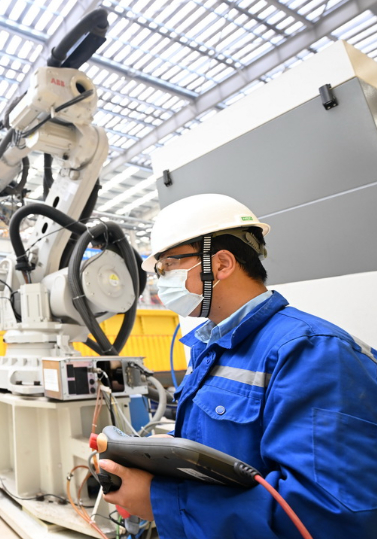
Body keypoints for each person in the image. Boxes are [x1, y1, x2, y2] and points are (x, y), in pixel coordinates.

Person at [99, 193, 377, 538]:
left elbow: (327, 514)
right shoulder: (211, 347)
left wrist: (162, 502)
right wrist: (154, 457)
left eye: (169, 264)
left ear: (221, 264)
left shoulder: (311, 351)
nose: (162, 279)